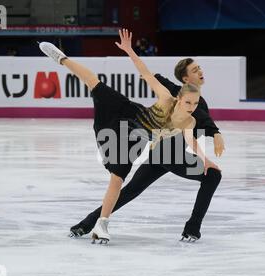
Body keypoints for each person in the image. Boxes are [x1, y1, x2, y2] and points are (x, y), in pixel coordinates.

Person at [39, 29, 219, 243]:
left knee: (121, 185)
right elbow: (145, 73)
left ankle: (94, 224)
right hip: (129, 116)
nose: (192, 107)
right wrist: (129, 50)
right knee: (94, 83)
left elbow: (190, 139)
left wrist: (206, 160)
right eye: (188, 102)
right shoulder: (166, 97)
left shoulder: (189, 119)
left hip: (139, 142)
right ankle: (62, 58)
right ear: (179, 97)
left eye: (195, 104)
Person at [69, 58, 224, 242]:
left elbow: (193, 126)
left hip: (161, 153)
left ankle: (85, 224)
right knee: (213, 176)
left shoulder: (193, 100)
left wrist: (152, 75)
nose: (200, 71)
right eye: (195, 70)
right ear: (185, 79)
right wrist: (215, 133)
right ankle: (192, 228)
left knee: (130, 190)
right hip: (170, 154)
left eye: (200, 68)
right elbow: (202, 119)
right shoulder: (185, 98)